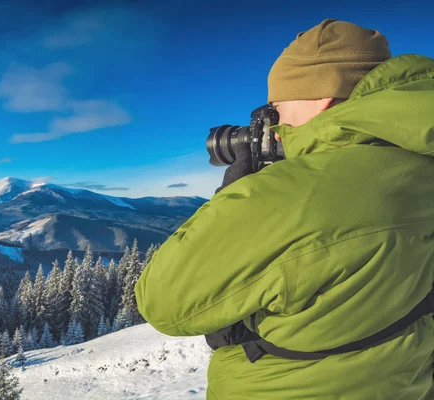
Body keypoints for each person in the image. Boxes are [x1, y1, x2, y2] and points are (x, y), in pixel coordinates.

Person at [135, 18, 434, 399]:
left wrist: (237, 196)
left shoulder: (295, 194)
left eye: (276, 109)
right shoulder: (421, 162)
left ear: (321, 97)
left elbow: (161, 303)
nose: (275, 128)